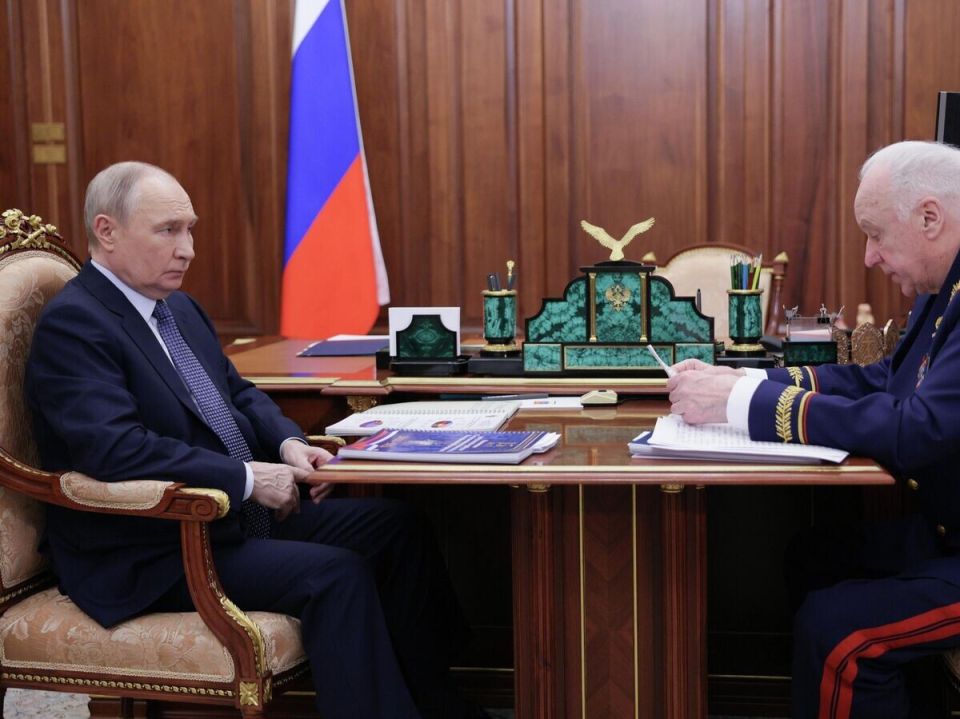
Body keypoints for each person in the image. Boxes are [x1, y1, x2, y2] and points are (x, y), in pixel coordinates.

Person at [25, 161, 475, 719]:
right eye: (168, 231)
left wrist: (287, 444)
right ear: (107, 231)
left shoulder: (177, 308)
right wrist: (245, 478)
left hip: (230, 520)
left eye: (190, 230)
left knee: (397, 528)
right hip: (154, 545)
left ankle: (439, 705)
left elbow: (237, 392)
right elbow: (116, 449)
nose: (188, 249)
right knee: (336, 574)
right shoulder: (76, 324)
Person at [666, 140, 960, 718]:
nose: (870, 257)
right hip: (944, 530)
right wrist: (751, 380)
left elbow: (919, 428)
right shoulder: (943, 283)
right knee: (813, 555)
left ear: (930, 217)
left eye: (876, 234)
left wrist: (743, 404)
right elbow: (887, 378)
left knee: (839, 633)